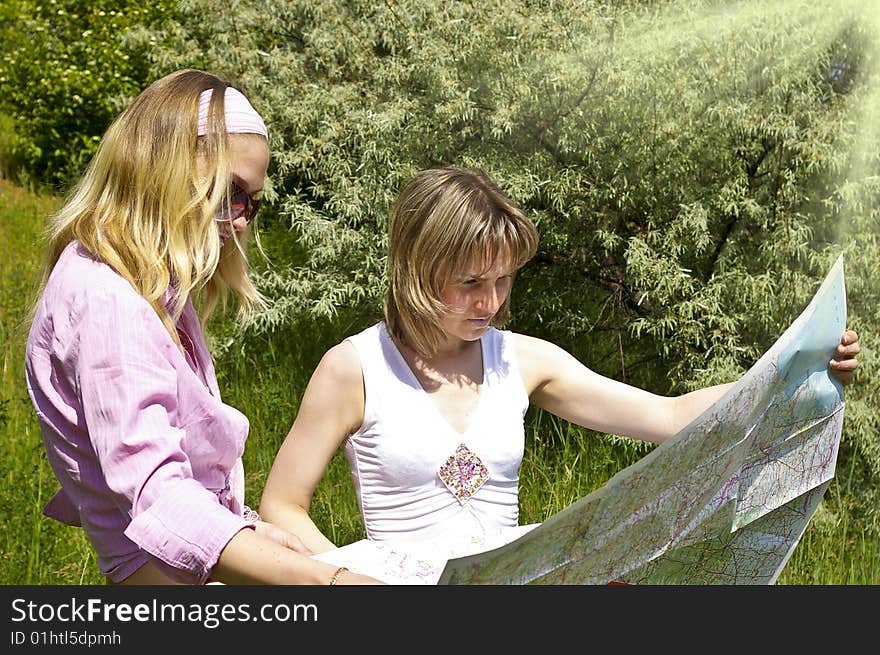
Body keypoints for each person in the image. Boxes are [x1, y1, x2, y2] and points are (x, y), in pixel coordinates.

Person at [259, 166, 861, 563]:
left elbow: (671, 416)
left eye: (502, 281)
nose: (489, 302)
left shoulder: (523, 360)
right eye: (469, 283)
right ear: (418, 267)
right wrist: (351, 585)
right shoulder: (355, 367)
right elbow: (282, 506)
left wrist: (798, 369)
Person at [24, 69, 383, 585]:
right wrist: (332, 584)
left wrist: (247, 531)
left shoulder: (147, 285)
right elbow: (156, 493)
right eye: (230, 192)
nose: (241, 220)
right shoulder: (110, 299)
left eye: (252, 203)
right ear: (162, 167)